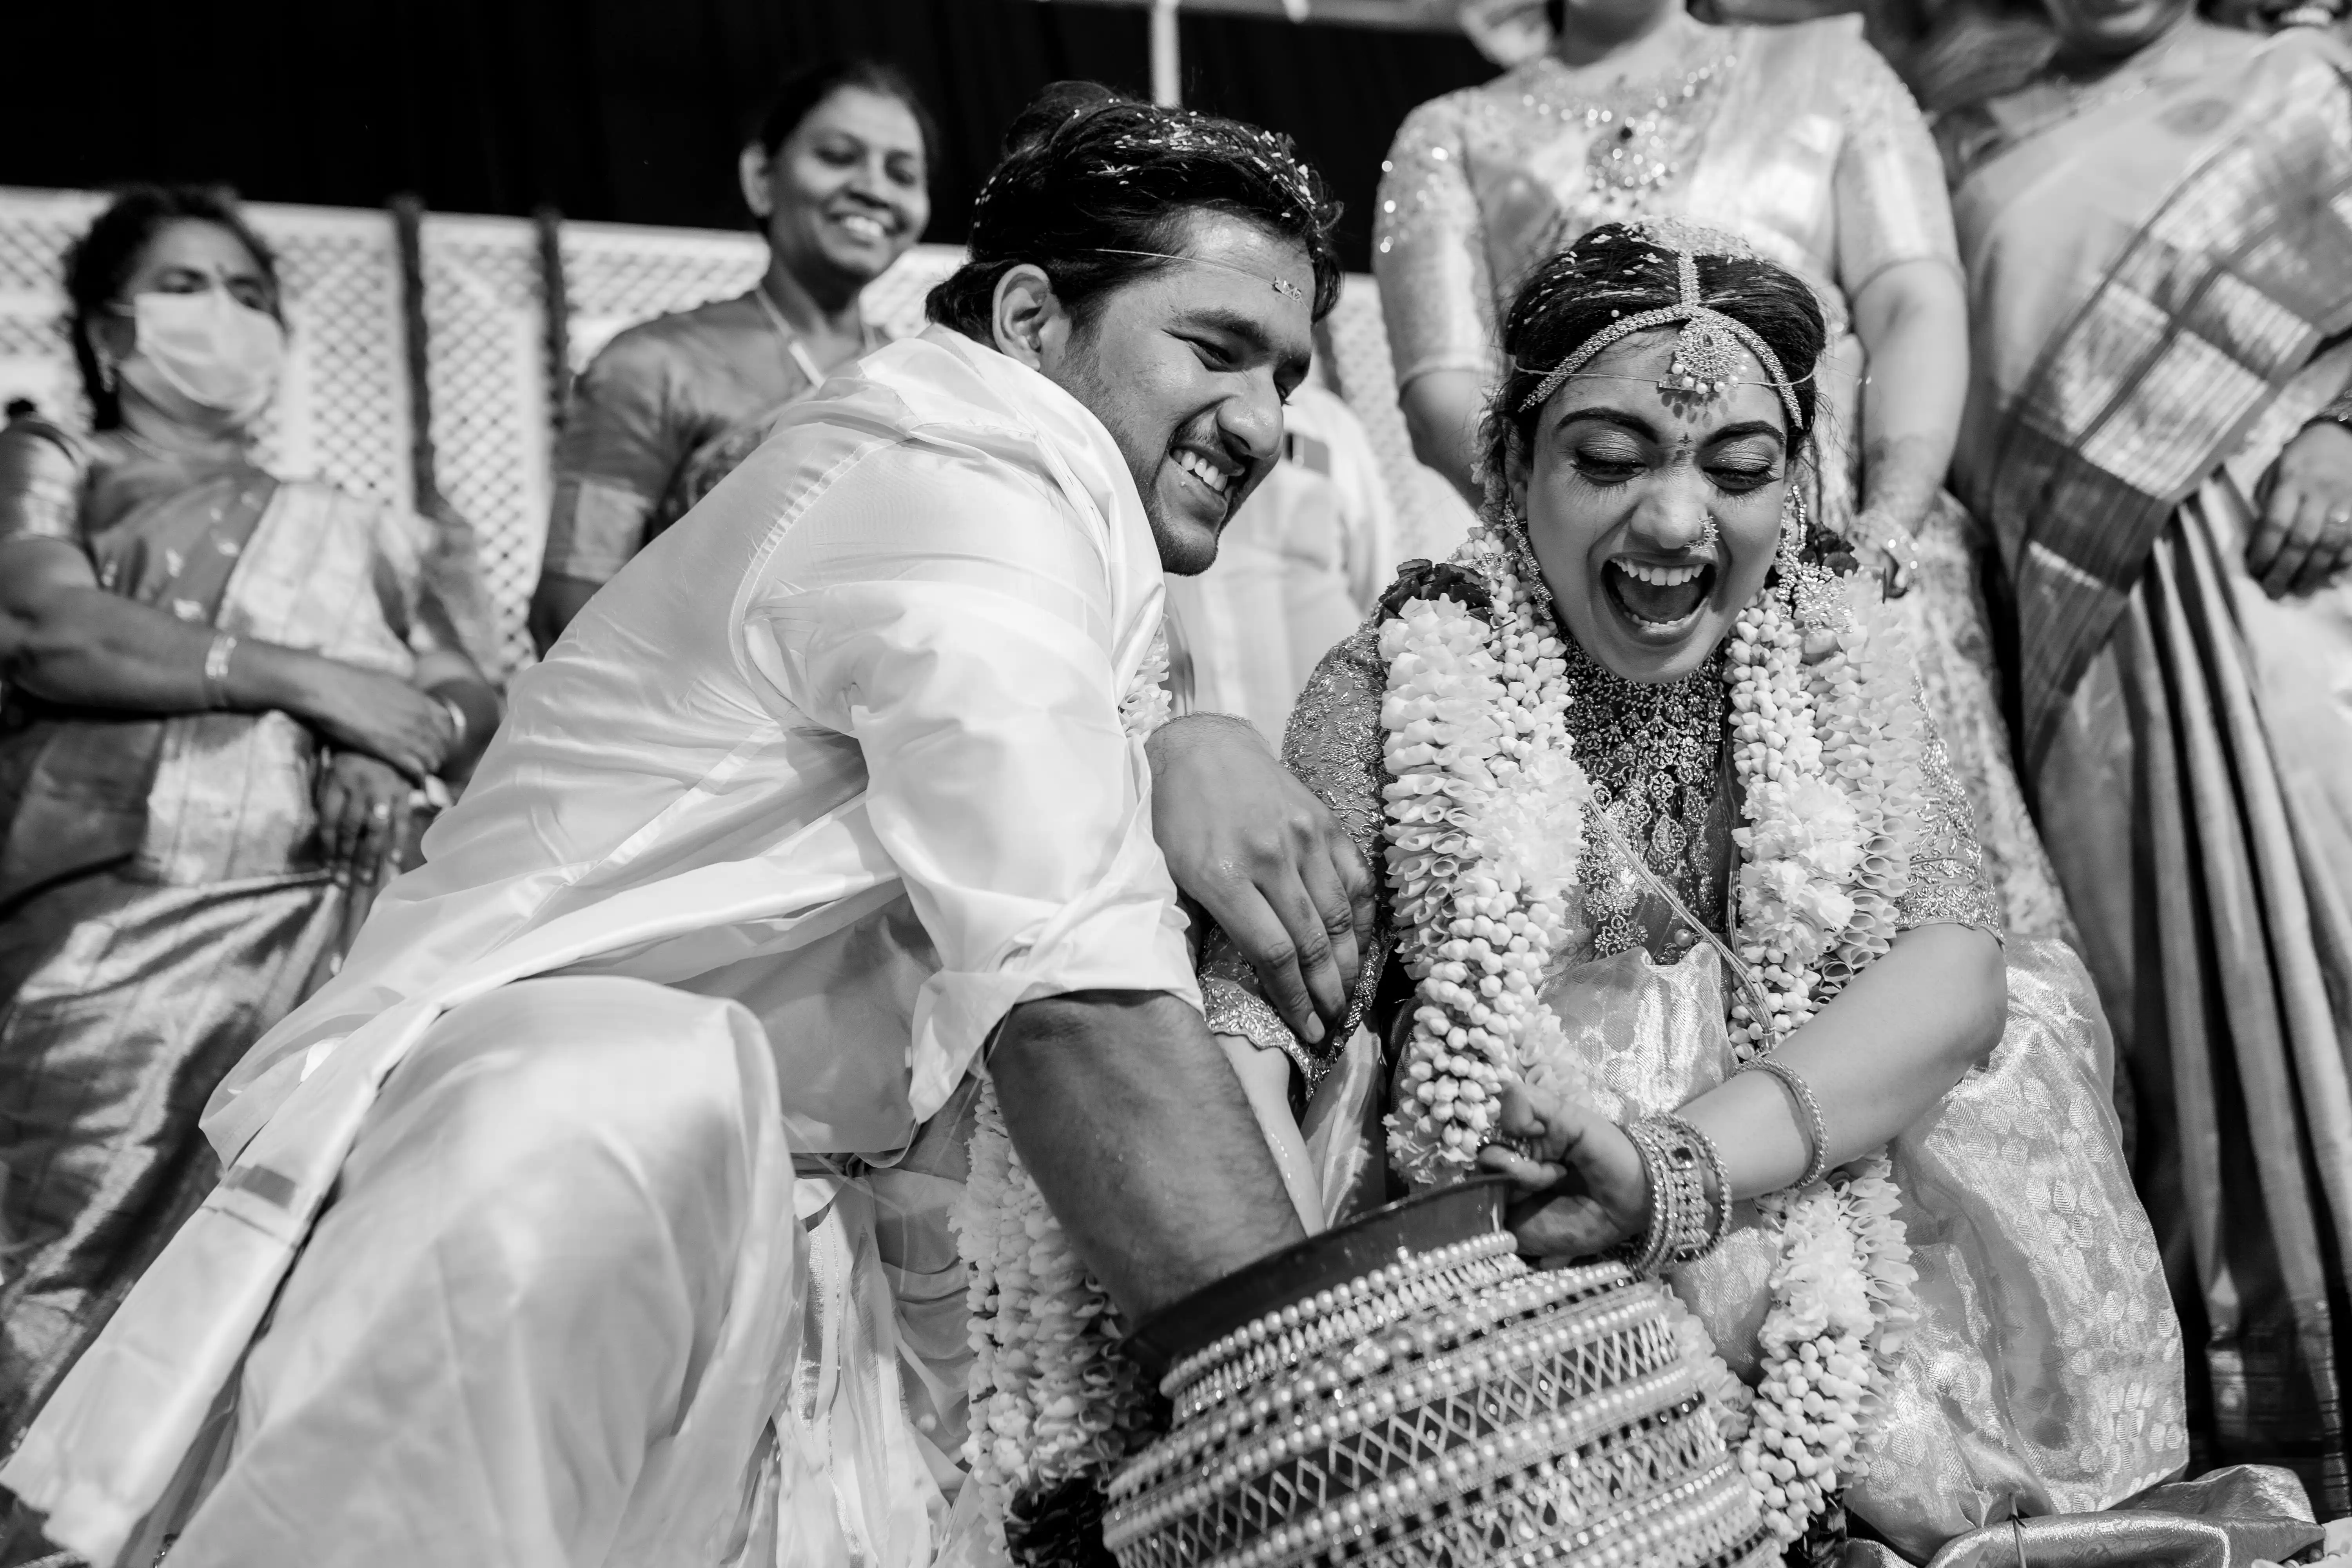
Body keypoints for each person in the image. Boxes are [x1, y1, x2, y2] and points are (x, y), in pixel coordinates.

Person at [0, 91, 1374, 1568]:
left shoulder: (1053, 515)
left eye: (1285, 376)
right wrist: (1331, 1427)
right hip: (551, 1185)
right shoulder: (965, 479)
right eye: (1216, 349)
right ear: (1033, 318)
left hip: (799, 1228)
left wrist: (1184, 733)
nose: (1262, 423)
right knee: (636, 1082)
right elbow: (1072, 994)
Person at [1179, 220, 2287, 1564]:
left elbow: (1954, 975)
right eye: (1608, 462)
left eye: (1740, 469)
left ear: (1798, 481)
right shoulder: (1401, 677)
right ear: (1512, 463)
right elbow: (1260, 1019)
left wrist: (1677, 1170)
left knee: (2018, 1038)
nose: (1674, 521)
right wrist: (1239, 1367)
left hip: (1820, 1199)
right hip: (1526, 1262)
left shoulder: (1849, 644)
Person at [1374, 0, 2079, 943]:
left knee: (1907, 917)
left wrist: (1879, 533)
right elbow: (1442, 394)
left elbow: (1916, 303)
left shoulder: (1830, 68)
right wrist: (1594, 518)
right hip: (1599, 607)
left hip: (1860, 558)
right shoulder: (1454, 132)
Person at [1929, 0, 2352, 1508]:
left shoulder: (2301, 77)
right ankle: (2284, 1420)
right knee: (2168, 1018)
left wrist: (2342, 427)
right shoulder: (1960, 141)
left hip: (2292, 594)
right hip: (2086, 664)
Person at [0, 187, 499, 1455]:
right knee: (56, 1284)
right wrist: (320, 685)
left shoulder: (362, 522)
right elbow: (46, 630)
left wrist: (396, 751)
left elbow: (460, 691)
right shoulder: (57, 466)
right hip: (112, 938)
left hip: (340, 945)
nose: (225, 314)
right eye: (184, 286)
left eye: (250, 292)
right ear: (108, 335)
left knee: (307, 1306)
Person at [525, 57, 934, 652]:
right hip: (699, 724)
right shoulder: (652, 365)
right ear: (761, 178)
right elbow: (567, 616)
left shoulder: (922, 377)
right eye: (838, 157)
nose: (874, 188)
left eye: (902, 173)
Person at [1162, 365, 1398, 747]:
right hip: (1178, 774)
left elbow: (1378, 597)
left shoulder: (1326, 422)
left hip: (1335, 766)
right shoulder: (1155, 406)